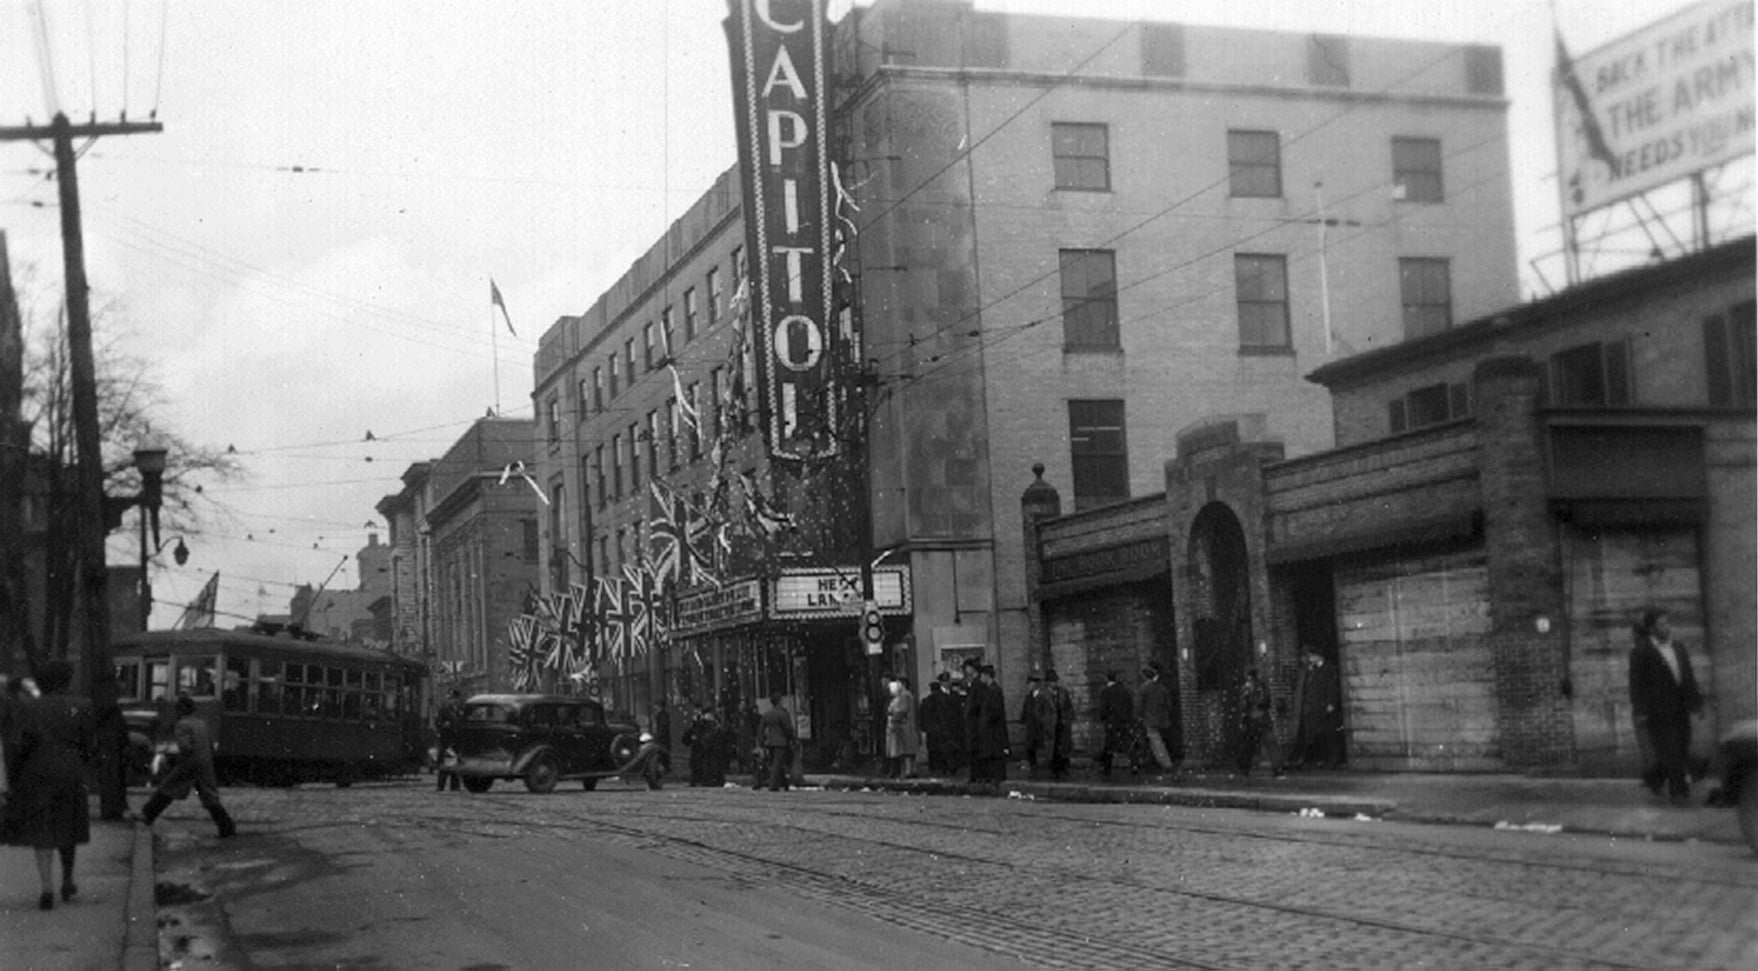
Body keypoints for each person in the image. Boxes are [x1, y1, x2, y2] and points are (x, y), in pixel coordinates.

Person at [3, 659, 98, 910]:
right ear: (66, 680)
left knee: (42, 829)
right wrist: (83, 767)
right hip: (71, 770)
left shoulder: (28, 708)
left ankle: (46, 886)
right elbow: (90, 746)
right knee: (68, 825)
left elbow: (18, 744)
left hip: (36, 771)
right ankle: (67, 879)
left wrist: (13, 777)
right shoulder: (82, 706)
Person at [1628, 609, 1703, 804]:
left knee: (1682, 746)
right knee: (1672, 750)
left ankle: (1654, 778)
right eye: (1662, 624)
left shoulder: (1678, 648)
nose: (1666, 627)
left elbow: (1687, 676)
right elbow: (1636, 684)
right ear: (1652, 628)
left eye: (1667, 623)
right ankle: (1679, 792)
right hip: (1658, 711)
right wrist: (1640, 711)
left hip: (1680, 708)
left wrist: (1696, 703)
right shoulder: (1641, 652)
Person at [137, 694, 238, 839]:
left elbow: (185, 747)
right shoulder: (201, 724)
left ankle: (147, 815)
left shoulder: (182, 725)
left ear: (180, 711)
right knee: (209, 797)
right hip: (204, 763)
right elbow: (210, 746)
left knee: (167, 788)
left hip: (189, 764)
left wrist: (175, 760)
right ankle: (227, 827)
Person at [1289, 650, 1343, 768]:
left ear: (1318, 656)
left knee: (1330, 733)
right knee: (1317, 734)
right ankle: (1321, 759)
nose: (1309, 659)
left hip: (1324, 705)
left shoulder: (1329, 668)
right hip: (1313, 707)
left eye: (1311, 656)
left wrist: (1331, 703)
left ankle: (1334, 759)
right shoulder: (1311, 670)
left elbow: (1332, 686)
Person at [1235, 668, 1282, 776]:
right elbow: (1267, 701)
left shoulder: (1247, 687)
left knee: (1249, 745)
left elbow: (1243, 704)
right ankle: (1277, 768)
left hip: (1252, 718)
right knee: (1271, 744)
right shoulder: (1263, 686)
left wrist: (1244, 717)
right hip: (1264, 717)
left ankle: (1244, 768)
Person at [969, 664, 1011, 784]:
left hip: (993, 730)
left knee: (994, 754)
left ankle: (996, 778)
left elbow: (994, 711)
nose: (980, 678)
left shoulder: (994, 690)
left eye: (982, 675)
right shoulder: (989, 690)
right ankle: (992, 778)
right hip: (989, 729)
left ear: (987, 676)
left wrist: (986, 722)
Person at [1136, 664, 1176, 773]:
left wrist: (1139, 716)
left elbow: (1139, 706)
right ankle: (1161, 761)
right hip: (1163, 719)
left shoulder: (1144, 688)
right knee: (1158, 741)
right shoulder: (1162, 688)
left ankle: (1166, 763)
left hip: (1150, 719)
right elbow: (1169, 705)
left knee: (1156, 741)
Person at [1096, 670, 1135, 778]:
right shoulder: (1125, 690)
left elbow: (1103, 708)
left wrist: (1103, 718)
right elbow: (1130, 706)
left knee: (1109, 745)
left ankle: (1106, 768)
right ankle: (1134, 764)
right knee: (1127, 743)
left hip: (1112, 722)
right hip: (1124, 721)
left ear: (1107, 678)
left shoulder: (1105, 691)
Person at [758, 692, 797, 792]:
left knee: (778, 763)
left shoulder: (767, 714)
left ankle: (784, 784)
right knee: (777, 763)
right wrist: (793, 738)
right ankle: (773, 785)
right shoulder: (783, 714)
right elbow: (788, 728)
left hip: (770, 742)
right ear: (779, 701)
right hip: (781, 742)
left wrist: (761, 742)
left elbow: (761, 729)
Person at [919, 678, 958, 775]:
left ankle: (941, 768)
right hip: (941, 728)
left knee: (938, 750)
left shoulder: (928, 699)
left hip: (936, 728)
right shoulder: (935, 699)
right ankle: (948, 768)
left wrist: (925, 727)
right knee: (946, 750)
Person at [884, 677, 919, 779]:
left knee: (904, 750)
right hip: (907, 725)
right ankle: (911, 770)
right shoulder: (906, 695)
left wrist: (894, 719)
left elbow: (901, 711)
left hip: (903, 726)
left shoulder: (904, 695)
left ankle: (907, 771)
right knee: (908, 749)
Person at [1043, 670, 1074, 781]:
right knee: (1053, 748)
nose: (1054, 684)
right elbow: (1038, 711)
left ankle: (1064, 768)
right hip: (1050, 726)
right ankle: (1054, 769)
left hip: (1062, 724)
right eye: (1052, 682)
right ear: (1048, 683)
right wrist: (1045, 721)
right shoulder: (1043, 694)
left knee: (1063, 746)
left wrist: (1068, 719)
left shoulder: (1063, 692)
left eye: (1055, 681)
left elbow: (1069, 707)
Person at [433, 689, 465, 792]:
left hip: (457, 740)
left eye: (455, 699)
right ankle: (440, 785)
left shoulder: (461, 710)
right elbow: (437, 723)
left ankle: (455, 786)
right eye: (451, 699)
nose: (453, 701)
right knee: (445, 764)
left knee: (455, 764)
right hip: (446, 739)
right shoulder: (444, 710)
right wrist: (443, 725)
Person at [1018, 675, 1044, 772]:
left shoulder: (1042, 696)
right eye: (1028, 684)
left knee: (1037, 746)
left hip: (1039, 726)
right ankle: (1032, 765)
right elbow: (1025, 710)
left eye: (1031, 683)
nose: (1029, 686)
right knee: (1029, 746)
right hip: (1030, 726)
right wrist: (1023, 721)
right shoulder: (1028, 697)